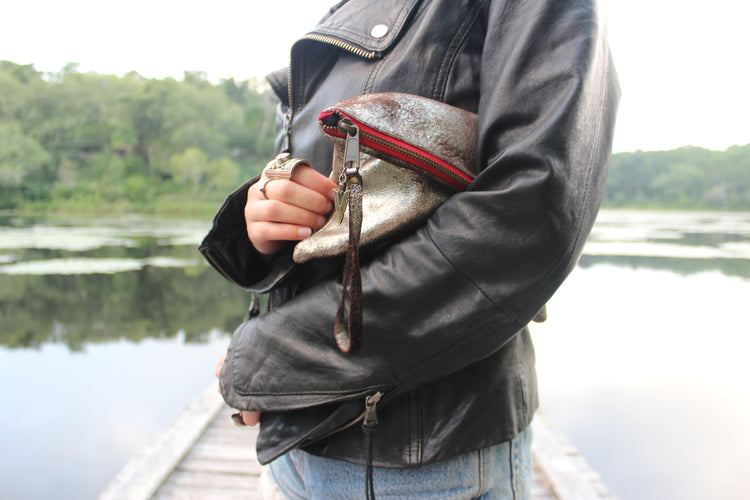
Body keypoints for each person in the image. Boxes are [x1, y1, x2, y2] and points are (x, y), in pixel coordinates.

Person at [201, 0, 620, 498]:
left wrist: (273, 357)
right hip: (294, 450)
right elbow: (351, 206)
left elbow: (530, 214)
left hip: (416, 466)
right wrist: (266, 217)